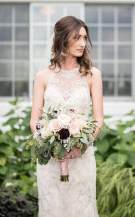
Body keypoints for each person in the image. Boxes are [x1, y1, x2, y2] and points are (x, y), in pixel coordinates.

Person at [30, 16, 104, 217]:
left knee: (81, 208)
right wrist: (48, 142)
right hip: (52, 161)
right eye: (77, 38)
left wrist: (83, 146)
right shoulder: (42, 76)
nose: (82, 43)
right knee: (53, 208)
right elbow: (35, 120)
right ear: (62, 39)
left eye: (84, 38)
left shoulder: (92, 75)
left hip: (82, 159)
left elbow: (98, 119)